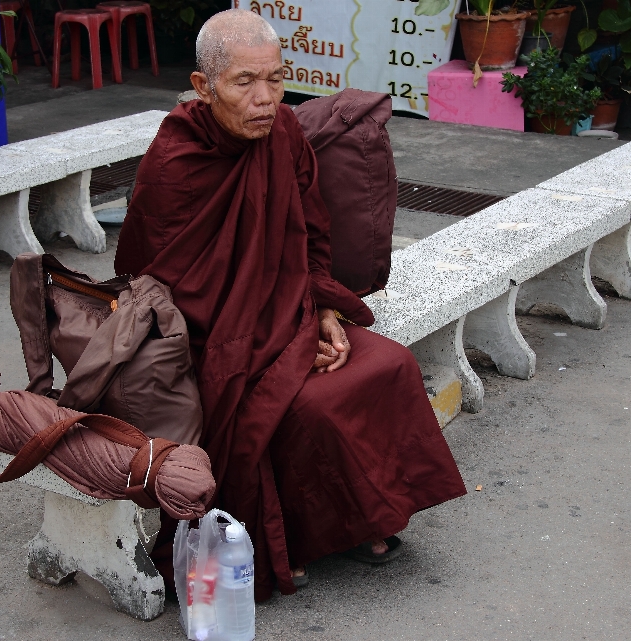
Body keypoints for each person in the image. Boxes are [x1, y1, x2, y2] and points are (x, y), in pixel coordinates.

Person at [114, 9, 467, 601]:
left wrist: (324, 311)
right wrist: (288, 335)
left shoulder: (283, 135)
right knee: (304, 403)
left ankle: (359, 520)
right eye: (243, 83)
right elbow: (161, 285)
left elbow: (311, 232)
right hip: (211, 338)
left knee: (389, 365)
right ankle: (294, 538)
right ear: (204, 88)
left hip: (287, 314)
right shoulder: (177, 161)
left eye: (275, 80)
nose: (264, 99)